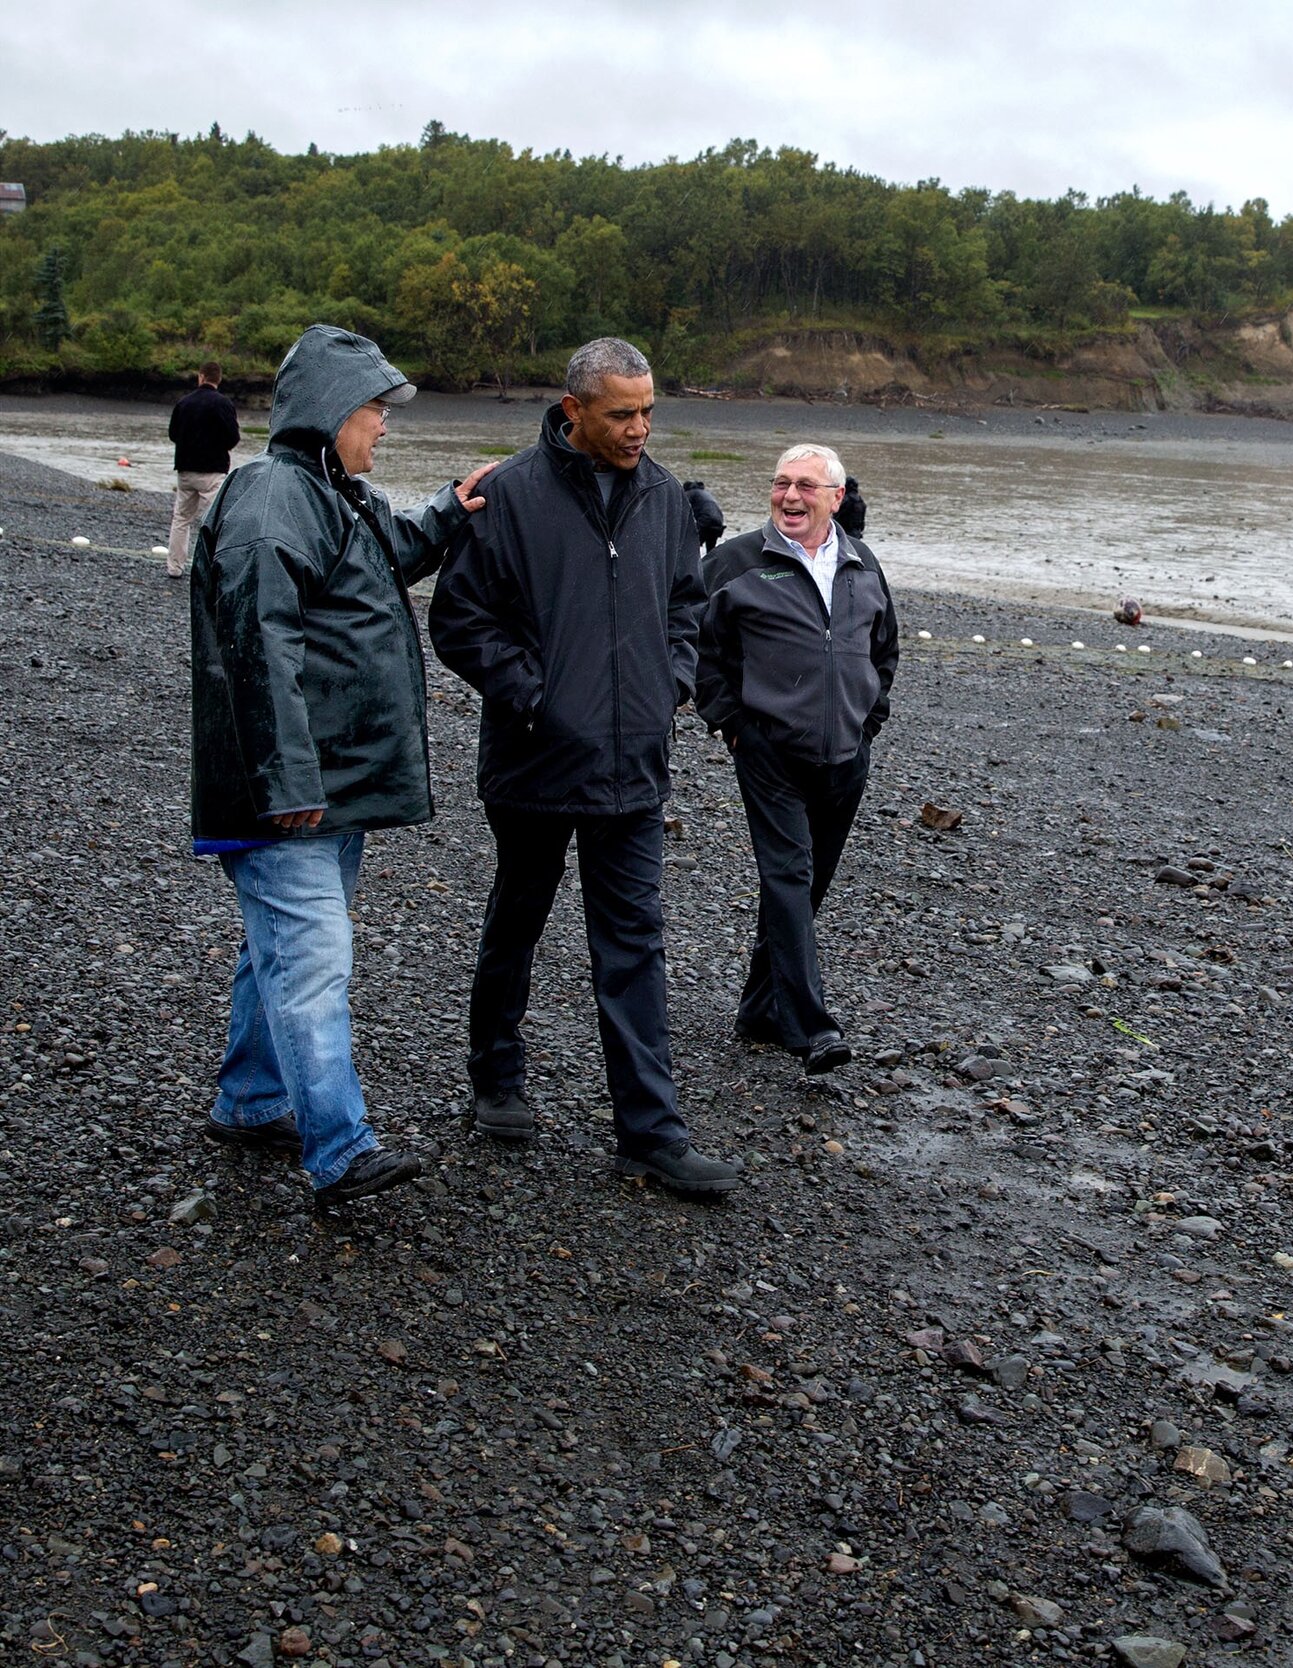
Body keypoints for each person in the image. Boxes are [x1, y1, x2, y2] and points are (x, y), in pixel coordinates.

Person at [428, 338, 740, 1198]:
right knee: (519, 918)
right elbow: (459, 621)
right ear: (574, 412)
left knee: (634, 944)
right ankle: (496, 1076)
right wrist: (537, 696)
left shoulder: (667, 498)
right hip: (534, 760)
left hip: (634, 765)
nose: (639, 428)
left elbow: (687, 602)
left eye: (647, 412)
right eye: (621, 414)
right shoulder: (509, 496)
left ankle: (651, 1133)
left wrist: (671, 682)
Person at [190, 325, 490, 1207]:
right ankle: (339, 1150)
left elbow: (382, 562)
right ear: (328, 415)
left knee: (278, 950)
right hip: (291, 793)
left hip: (332, 786)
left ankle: (249, 1102)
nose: (383, 427)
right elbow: (257, 651)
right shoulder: (271, 499)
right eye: (372, 411)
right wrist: (287, 788)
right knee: (313, 960)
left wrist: (450, 511)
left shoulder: (329, 492)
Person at [696, 445, 899, 1073]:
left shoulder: (862, 562)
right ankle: (810, 1026)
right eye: (781, 483)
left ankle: (758, 1007)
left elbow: (883, 648)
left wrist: (870, 720)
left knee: (807, 887)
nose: (790, 496)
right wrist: (731, 721)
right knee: (787, 875)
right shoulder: (735, 562)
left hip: (845, 753)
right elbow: (697, 643)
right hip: (769, 751)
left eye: (806, 486)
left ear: (836, 498)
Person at [168, 360, 242, 577]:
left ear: (200, 376)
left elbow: (173, 434)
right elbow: (233, 437)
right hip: (212, 469)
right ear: (218, 379)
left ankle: (175, 566)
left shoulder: (184, 403)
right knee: (214, 521)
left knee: (181, 518)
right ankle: (212, 569)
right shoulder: (223, 404)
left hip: (186, 468)